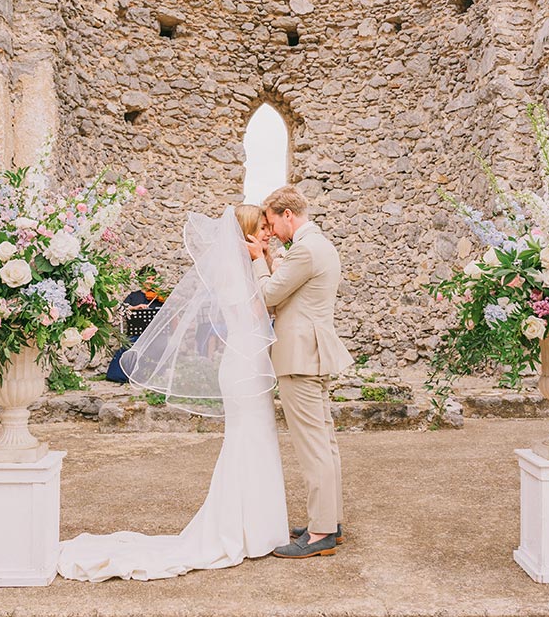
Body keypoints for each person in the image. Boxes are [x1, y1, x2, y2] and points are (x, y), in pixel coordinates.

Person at [58, 206, 288, 581]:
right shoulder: (234, 273)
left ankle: (261, 528)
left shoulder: (247, 270)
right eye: (261, 228)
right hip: (243, 368)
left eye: (267, 228)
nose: (267, 234)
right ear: (245, 232)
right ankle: (240, 530)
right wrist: (266, 267)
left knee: (260, 441)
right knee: (247, 443)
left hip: (251, 365)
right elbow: (255, 321)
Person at [245, 186, 354, 559]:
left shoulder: (306, 248)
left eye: (273, 222)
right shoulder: (316, 246)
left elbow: (270, 295)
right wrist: (274, 257)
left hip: (300, 357)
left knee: (313, 449)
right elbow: (292, 288)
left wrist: (259, 258)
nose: (271, 230)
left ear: (287, 215)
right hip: (313, 353)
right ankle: (330, 522)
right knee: (325, 443)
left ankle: (321, 532)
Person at [106, 266, 167, 383]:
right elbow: (121, 310)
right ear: (141, 279)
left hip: (155, 335)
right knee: (127, 346)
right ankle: (120, 376)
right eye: (148, 278)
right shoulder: (133, 296)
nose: (150, 281)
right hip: (137, 334)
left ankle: (155, 376)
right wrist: (135, 308)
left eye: (153, 279)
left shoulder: (158, 297)